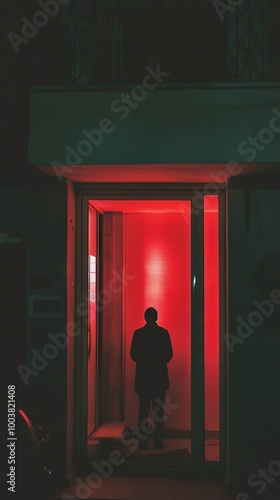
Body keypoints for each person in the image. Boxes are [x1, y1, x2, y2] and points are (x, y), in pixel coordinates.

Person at [130, 307, 173, 449]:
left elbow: (134, 355)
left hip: (143, 377)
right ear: (156, 317)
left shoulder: (138, 334)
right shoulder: (163, 333)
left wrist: (145, 359)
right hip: (159, 377)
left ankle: (143, 440)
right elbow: (168, 355)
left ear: (145, 317)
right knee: (158, 410)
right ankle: (158, 439)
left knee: (143, 409)